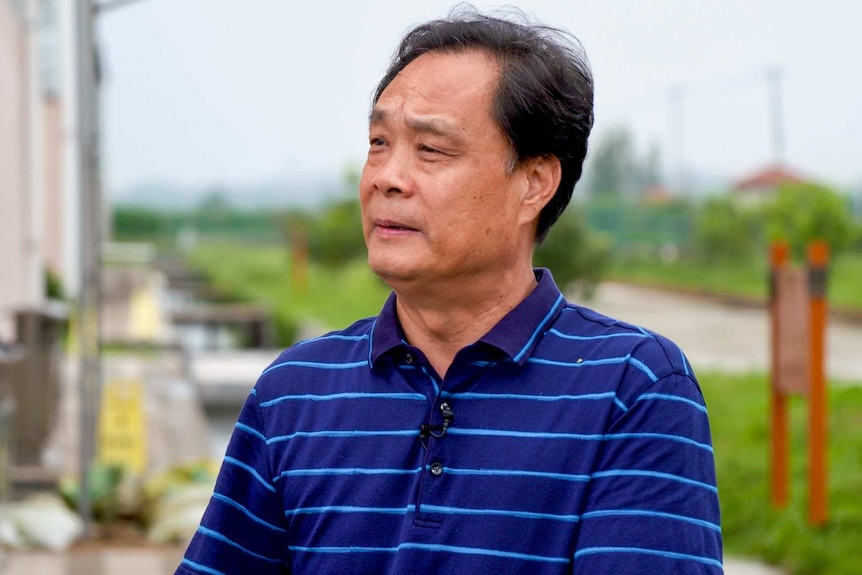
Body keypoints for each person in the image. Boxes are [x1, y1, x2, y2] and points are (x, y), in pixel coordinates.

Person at [175, 7, 723, 575]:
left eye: (430, 150)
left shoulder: (633, 390)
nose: (387, 176)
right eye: (378, 142)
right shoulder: (292, 394)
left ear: (534, 183)